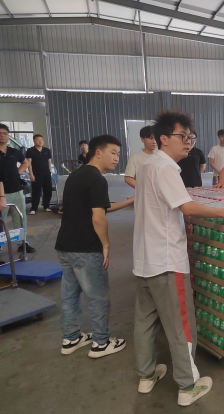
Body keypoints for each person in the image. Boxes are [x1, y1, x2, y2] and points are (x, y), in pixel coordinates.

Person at [133, 111, 224, 406]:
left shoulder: (146, 166)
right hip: (167, 260)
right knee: (181, 324)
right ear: (164, 138)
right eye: (183, 136)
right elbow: (187, 207)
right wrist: (223, 211)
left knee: (145, 322)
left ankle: (146, 376)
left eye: (190, 137)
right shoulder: (166, 168)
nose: (188, 142)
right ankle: (187, 385)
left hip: (144, 259)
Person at [56, 135, 134, 359]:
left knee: (70, 294)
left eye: (118, 154)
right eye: (113, 153)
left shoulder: (77, 175)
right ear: (98, 153)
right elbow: (98, 217)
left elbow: (101, 207)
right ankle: (101, 343)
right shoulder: (97, 179)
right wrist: (106, 244)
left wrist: (130, 201)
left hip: (65, 246)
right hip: (85, 247)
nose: (116, 158)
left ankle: (71, 338)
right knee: (98, 296)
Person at [0, 123, 34, 253]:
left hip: (17, 190)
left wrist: (17, 173)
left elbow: (25, 162)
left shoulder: (14, 152)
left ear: (8, 136)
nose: (2, 136)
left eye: (4, 133)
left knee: (20, 218)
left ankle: (22, 242)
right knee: (1, 221)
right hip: (1, 193)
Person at [25, 134, 53, 215]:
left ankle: (46, 206)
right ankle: (34, 208)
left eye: (41, 140)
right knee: (36, 191)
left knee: (48, 190)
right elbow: (29, 163)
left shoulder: (46, 150)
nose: (40, 141)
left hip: (46, 173)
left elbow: (49, 161)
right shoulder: (30, 151)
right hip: (36, 174)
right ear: (34, 141)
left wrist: (49, 171)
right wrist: (31, 174)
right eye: (38, 140)